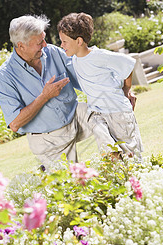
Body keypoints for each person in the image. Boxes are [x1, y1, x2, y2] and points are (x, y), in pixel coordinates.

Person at [0, 15, 94, 168]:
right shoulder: (5, 77)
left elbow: (84, 77)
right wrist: (44, 96)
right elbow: (15, 124)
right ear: (21, 46)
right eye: (39, 42)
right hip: (48, 140)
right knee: (69, 185)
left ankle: (122, 165)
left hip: (75, 116)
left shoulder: (52, 52)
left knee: (109, 115)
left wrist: (118, 91)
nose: (45, 44)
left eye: (44, 39)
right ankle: (50, 173)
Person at [57, 12, 143, 159]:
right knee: (111, 154)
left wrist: (127, 89)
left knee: (131, 156)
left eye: (64, 41)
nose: (61, 45)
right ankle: (117, 174)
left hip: (118, 112)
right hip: (98, 115)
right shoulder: (76, 60)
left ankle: (135, 176)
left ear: (79, 41)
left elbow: (128, 64)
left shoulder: (99, 56)